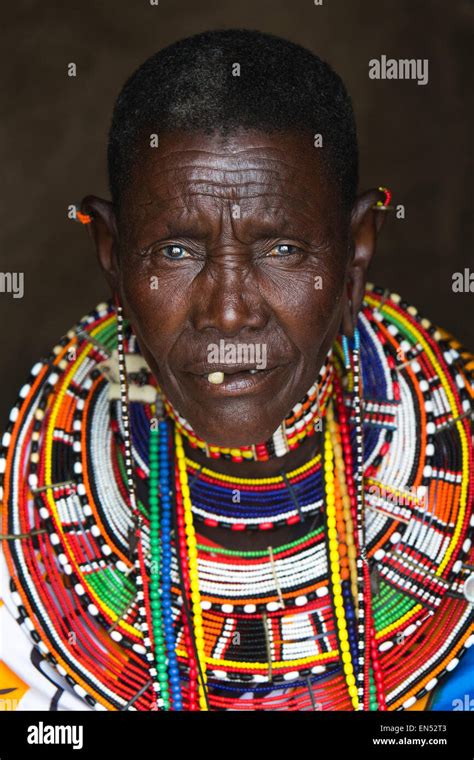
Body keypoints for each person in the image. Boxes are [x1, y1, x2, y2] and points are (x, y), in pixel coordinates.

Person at [1, 29, 473, 712]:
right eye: (173, 250)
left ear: (356, 252)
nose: (227, 313)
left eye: (281, 247)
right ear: (111, 254)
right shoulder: (22, 536)